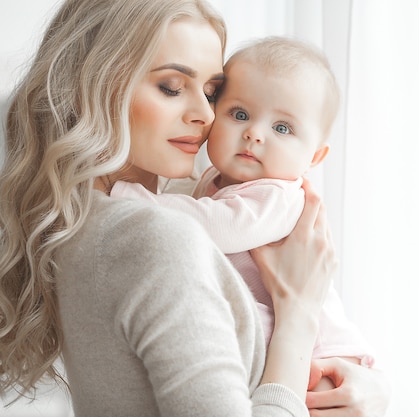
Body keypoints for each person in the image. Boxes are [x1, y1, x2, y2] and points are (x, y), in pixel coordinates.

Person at [0, 0, 390, 416]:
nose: (206, 115)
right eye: (171, 87)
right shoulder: (159, 235)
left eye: (211, 93)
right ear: (94, 84)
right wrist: (298, 317)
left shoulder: (82, 223)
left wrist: (371, 386)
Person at [111, 37, 376, 383]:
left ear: (313, 157)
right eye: (239, 114)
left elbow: (215, 226)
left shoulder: (280, 195)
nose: (253, 133)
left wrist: (132, 198)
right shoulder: (214, 178)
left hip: (320, 351)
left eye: (282, 128)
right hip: (277, 332)